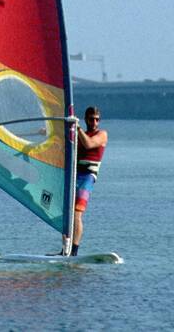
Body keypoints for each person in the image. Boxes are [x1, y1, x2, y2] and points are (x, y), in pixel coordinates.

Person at [59, 106, 107, 256]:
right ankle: (64, 250)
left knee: (77, 214)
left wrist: (77, 128)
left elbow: (89, 144)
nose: (94, 122)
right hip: (74, 175)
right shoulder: (80, 135)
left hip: (88, 177)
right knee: (66, 214)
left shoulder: (102, 135)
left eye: (97, 119)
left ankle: (74, 251)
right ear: (86, 119)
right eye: (91, 119)